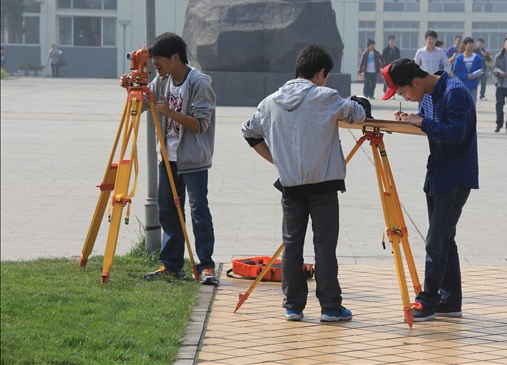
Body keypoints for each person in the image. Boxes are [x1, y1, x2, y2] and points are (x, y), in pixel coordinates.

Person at [242, 45, 367, 322]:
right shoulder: (326, 97)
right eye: (327, 75)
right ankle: (331, 307)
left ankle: (293, 306)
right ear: (321, 72)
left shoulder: (269, 102)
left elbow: (248, 131)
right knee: (324, 247)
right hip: (323, 186)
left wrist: (276, 160)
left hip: (290, 186)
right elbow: (357, 114)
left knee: (292, 245)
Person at [381, 58, 478, 322]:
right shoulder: (428, 94)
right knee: (445, 239)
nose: (407, 98)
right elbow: (427, 122)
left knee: (435, 241)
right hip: (436, 175)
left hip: (456, 177)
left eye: (402, 93)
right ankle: (450, 300)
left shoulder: (454, 92)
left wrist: (421, 122)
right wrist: (407, 121)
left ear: (415, 81)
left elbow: (456, 134)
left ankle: (428, 301)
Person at [118, 32, 218, 285]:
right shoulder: (161, 82)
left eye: (158, 60)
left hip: (193, 159)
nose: (155, 66)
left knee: (198, 212)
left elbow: (201, 124)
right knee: (168, 211)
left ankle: (206, 266)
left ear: (175, 57)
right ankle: (172, 265)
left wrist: (171, 113)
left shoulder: (199, 83)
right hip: (168, 158)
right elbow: (142, 105)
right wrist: (132, 88)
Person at [452, 37, 484, 104]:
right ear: (465, 45)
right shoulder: (459, 58)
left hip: (473, 86)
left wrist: (476, 75)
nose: (471, 46)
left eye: (472, 44)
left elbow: (481, 70)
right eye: (469, 44)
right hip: (461, 86)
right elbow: (456, 72)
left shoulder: (477, 58)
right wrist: (467, 76)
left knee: (472, 106)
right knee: (461, 106)